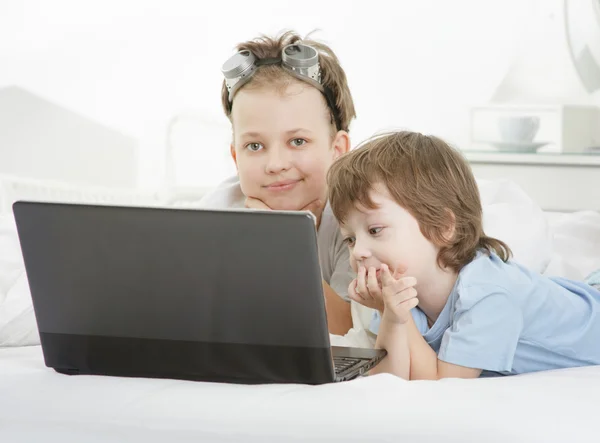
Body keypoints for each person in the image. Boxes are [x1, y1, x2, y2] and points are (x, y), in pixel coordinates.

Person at [327, 130, 600, 379]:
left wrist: (400, 317)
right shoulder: (405, 295)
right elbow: (391, 380)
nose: (359, 252)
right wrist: (390, 315)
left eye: (375, 230)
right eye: (350, 239)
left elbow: (443, 383)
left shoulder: (487, 293)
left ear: (443, 227)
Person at [199, 31, 356, 334]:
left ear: (337, 150)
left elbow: (345, 330)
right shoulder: (217, 214)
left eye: (298, 141)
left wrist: (284, 246)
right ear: (236, 157)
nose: (275, 165)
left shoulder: (354, 222)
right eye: (254, 146)